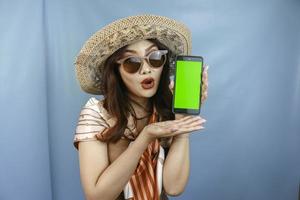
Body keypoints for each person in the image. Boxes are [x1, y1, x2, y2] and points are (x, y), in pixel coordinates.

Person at [73, 14, 209, 200]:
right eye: (132, 63)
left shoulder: (164, 110)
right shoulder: (96, 114)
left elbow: (174, 188)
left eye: (154, 58)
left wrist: (181, 128)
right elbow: (96, 196)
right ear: (116, 71)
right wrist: (145, 137)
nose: (146, 69)